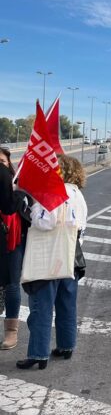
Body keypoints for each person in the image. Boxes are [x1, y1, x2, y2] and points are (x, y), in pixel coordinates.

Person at [17, 155, 87, 369]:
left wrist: (32, 208)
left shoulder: (54, 192)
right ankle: (66, 346)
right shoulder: (78, 194)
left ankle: (39, 354)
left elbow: (45, 222)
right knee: (67, 304)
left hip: (49, 258)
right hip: (73, 257)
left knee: (41, 306)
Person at [0, 147, 31, 350]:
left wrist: (19, 197)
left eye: (2, 161)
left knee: (12, 285)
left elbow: (30, 216)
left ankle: (11, 331)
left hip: (15, 242)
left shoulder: (21, 189)